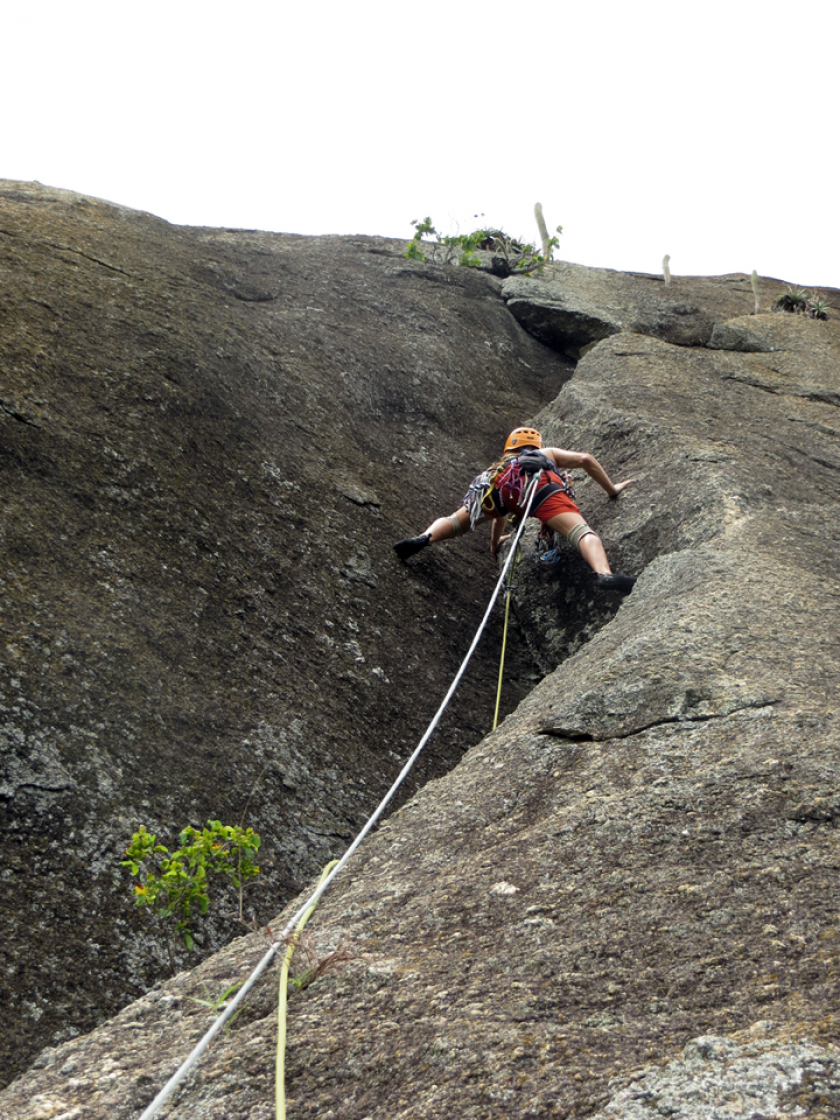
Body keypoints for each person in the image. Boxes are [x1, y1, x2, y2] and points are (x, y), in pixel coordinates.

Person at [394, 426, 638, 594]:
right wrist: (612, 489)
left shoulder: (501, 465)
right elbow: (586, 459)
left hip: (497, 485)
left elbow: (500, 514)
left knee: (456, 521)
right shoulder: (545, 453)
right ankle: (604, 574)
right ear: (535, 444)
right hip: (540, 488)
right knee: (581, 532)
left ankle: (425, 537)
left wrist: (494, 546)